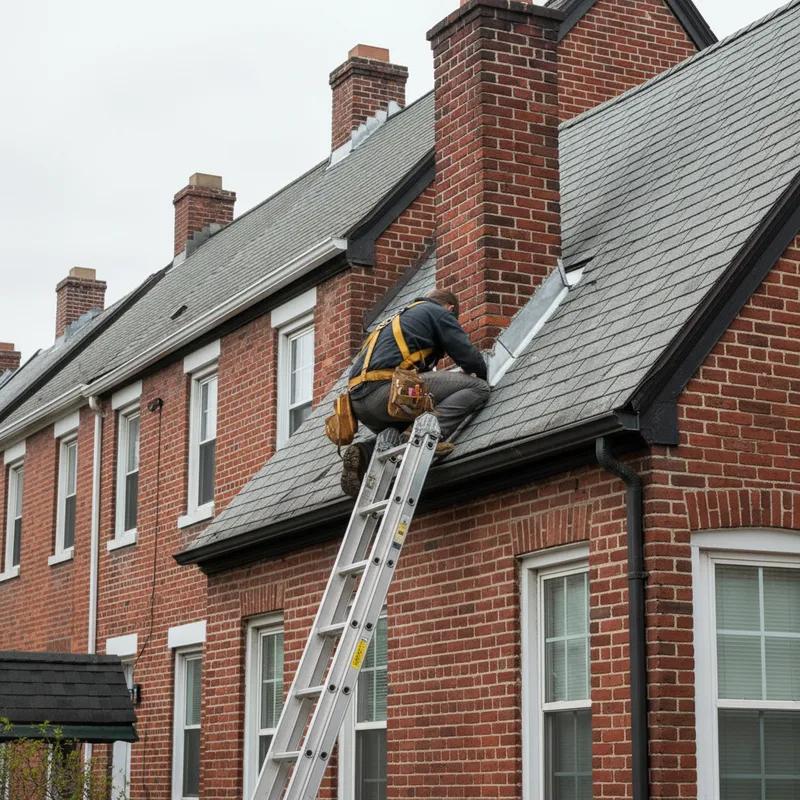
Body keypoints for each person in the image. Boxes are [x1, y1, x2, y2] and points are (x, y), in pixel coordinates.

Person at [341, 289, 490, 496]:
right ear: (450, 308)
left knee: (400, 427)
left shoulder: (397, 318)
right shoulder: (438, 313)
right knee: (478, 388)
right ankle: (430, 433)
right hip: (387, 391)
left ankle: (365, 452)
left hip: (359, 404)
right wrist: (483, 374)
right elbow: (467, 356)